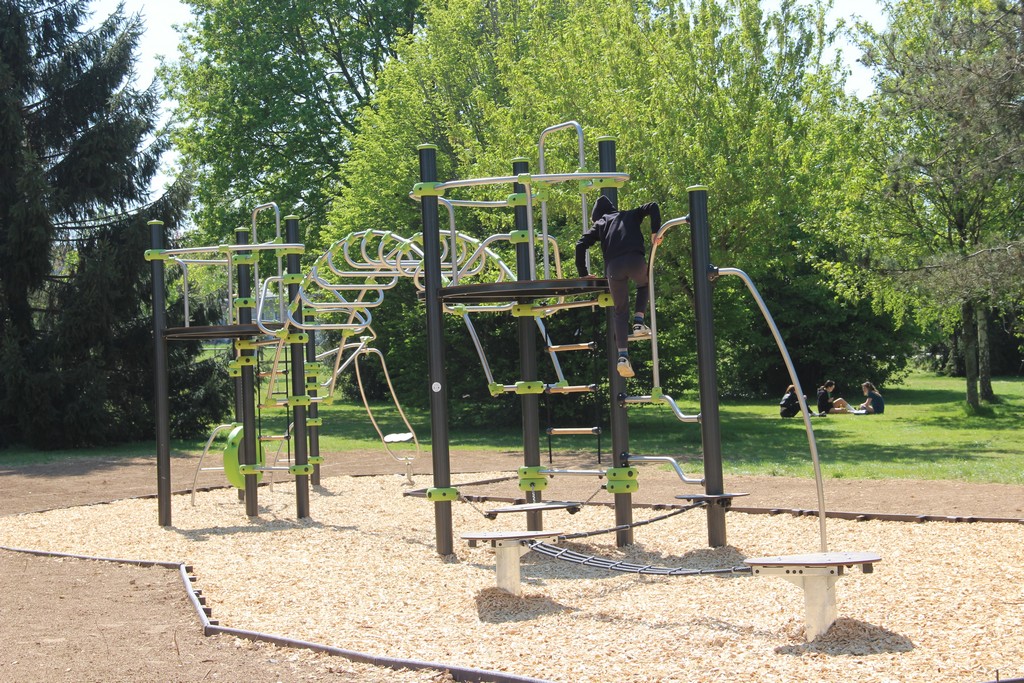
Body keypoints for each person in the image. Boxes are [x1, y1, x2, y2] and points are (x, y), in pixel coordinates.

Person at [575, 195, 662, 378]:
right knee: (645, 283)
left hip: (613, 269)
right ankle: (639, 321)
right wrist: (655, 231)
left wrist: (583, 272)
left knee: (620, 311)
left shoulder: (600, 224)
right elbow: (652, 205)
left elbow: (580, 244)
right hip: (635, 260)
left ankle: (622, 356)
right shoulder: (630, 214)